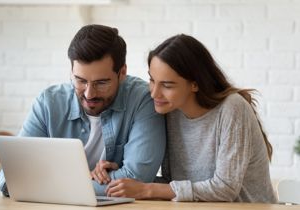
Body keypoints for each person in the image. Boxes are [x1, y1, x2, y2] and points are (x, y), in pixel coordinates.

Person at [102, 34, 277, 203]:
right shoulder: (171, 112)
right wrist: (124, 180)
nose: (154, 93)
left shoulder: (232, 108)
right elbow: (175, 185)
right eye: (152, 80)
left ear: (195, 84)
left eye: (167, 85)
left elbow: (225, 188)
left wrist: (146, 189)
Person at [0, 24, 166, 197]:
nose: (89, 94)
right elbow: (10, 178)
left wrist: (49, 183)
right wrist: (86, 178)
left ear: (122, 72)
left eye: (101, 83)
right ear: (71, 71)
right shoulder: (48, 103)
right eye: (80, 80)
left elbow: (137, 179)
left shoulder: (143, 100)